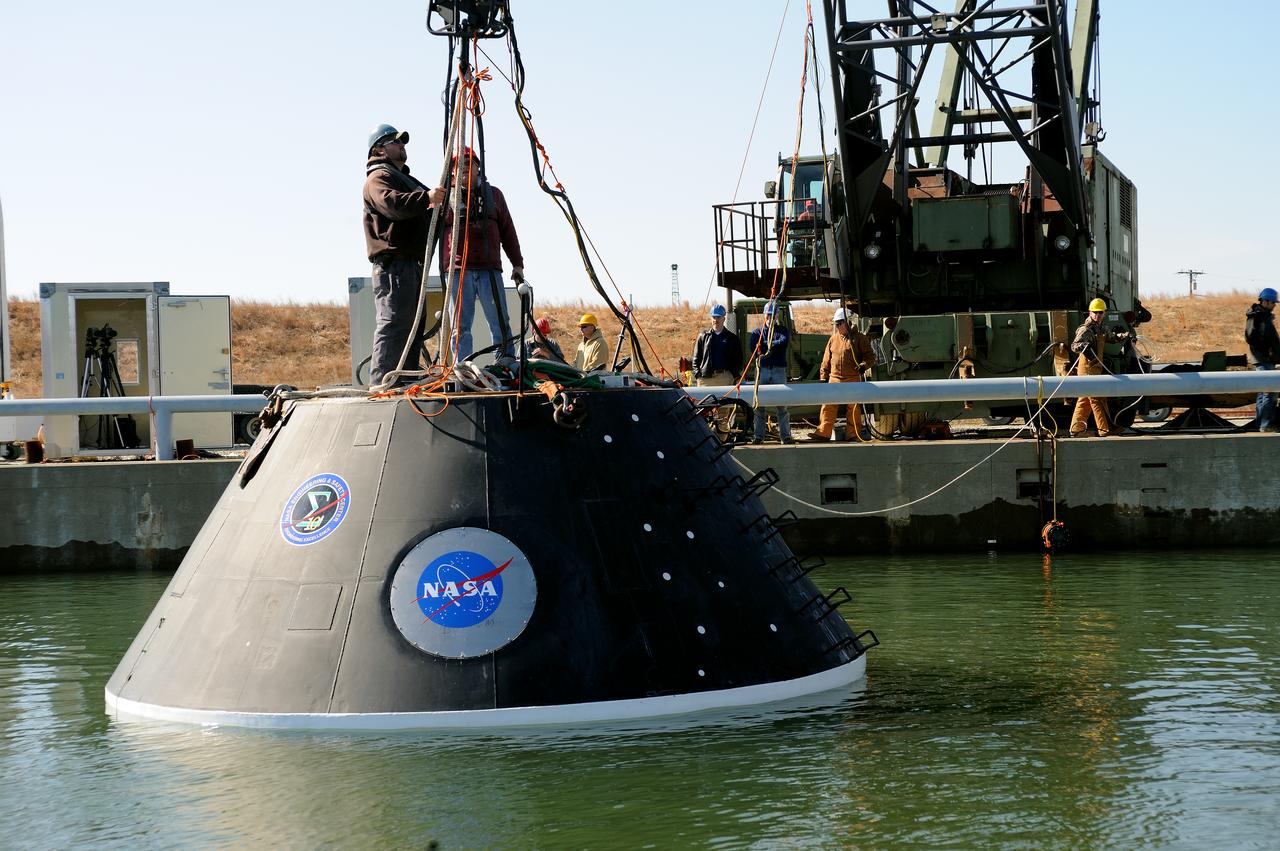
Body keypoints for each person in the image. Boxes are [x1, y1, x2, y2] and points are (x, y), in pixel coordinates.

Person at [362, 123, 446, 386]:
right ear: (379, 150)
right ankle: (383, 383)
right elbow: (391, 204)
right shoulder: (378, 178)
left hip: (411, 265)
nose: (402, 145)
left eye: (402, 141)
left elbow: (428, 210)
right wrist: (427, 198)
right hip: (394, 265)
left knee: (413, 327)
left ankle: (404, 381)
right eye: (395, 141)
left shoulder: (405, 180)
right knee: (395, 324)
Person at [442, 148, 525, 362]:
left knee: (500, 321)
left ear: (478, 168)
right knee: (460, 326)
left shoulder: (494, 195)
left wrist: (517, 263)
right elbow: (431, 232)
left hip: (490, 269)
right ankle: (463, 367)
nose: (464, 168)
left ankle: (505, 362)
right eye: (459, 165)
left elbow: (508, 231)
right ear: (452, 171)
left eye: (469, 163)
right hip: (458, 271)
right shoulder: (444, 197)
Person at [810, 307, 876, 441]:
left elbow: (870, 357)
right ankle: (823, 433)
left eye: (840, 323)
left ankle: (853, 435)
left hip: (852, 378)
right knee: (828, 406)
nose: (837, 326)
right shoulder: (833, 339)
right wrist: (823, 377)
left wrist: (863, 366)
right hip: (834, 379)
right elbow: (826, 361)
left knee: (853, 408)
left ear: (848, 322)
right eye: (836, 324)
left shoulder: (860, 338)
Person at [1068, 297, 1131, 437]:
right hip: (1087, 370)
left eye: (1100, 312)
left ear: (1104, 313)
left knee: (1085, 401)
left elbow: (1111, 337)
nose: (1097, 315)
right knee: (1097, 399)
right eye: (1095, 312)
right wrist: (1084, 346)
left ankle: (1076, 430)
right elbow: (1074, 346)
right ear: (1090, 312)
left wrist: (1124, 336)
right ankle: (1105, 429)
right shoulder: (1086, 329)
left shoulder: (1102, 328)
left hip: (1096, 369)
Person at [748, 300, 792, 444]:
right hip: (762, 370)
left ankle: (785, 436)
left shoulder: (782, 330)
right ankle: (758, 436)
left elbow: (783, 342)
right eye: (768, 315)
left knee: (782, 405)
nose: (770, 318)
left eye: (773, 315)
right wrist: (772, 345)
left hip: (778, 370)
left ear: (777, 316)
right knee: (759, 405)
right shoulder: (757, 332)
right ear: (764, 315)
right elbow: (753, 347)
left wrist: (766, 345)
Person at [1245, 287, 1280, 432]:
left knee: (1263, 393)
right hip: (1263, 359)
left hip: (1265, 359)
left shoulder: (1262, 316)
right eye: (1273, 302)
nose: (1275, 305)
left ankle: (1260, 425)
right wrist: (1267, 351)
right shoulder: (1256, 316)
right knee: (1269, 393)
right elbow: (1250, 337)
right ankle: (1266, 425)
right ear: (1265, 301)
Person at [692, 305, 743, 387]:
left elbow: (738, 359)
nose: (716, 320)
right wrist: (698, 375)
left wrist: (734, 375)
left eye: (718, 317)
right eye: (714, 317)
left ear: (724, 319)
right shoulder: (703, 336)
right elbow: (696, 358)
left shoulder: (732, 338)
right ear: (711, 318)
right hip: (705, 379)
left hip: (725, 378)